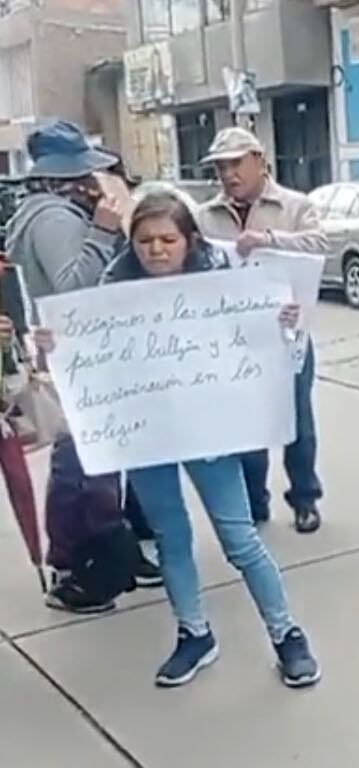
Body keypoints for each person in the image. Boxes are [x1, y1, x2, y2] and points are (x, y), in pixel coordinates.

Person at [35, 192, 321, 688]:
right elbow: (79, 356)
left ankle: (286, 634)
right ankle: (194, 633)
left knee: (240, 538)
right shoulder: (112, 290)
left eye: (168, 239)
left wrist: (284, 324)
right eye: (145, 241)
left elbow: (265, 347)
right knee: (170, 538)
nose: (157, 250)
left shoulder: (223, 280)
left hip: (208, 431)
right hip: (146, 434)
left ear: (189, 240)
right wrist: (53, 346)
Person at [3, 119, 159, 612]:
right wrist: (103, 232)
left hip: (77, 355)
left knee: (85, 460)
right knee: (83, 465)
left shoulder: (41, 211)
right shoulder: (55, 218)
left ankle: (90, 557)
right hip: (81, 355)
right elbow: (74, 290)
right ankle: (81, 564)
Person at [197, 128, 328, 534]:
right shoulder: (205, 216)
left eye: (236, 163)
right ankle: (254, 501)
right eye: (220, 167)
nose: (228, 174)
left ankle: (305, 498)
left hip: (288, 332)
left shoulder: (294, 206)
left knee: (297, 420)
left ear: (259, 160)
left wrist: (268, 240)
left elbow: (320, 245)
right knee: (246, 421)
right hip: (235, 337)